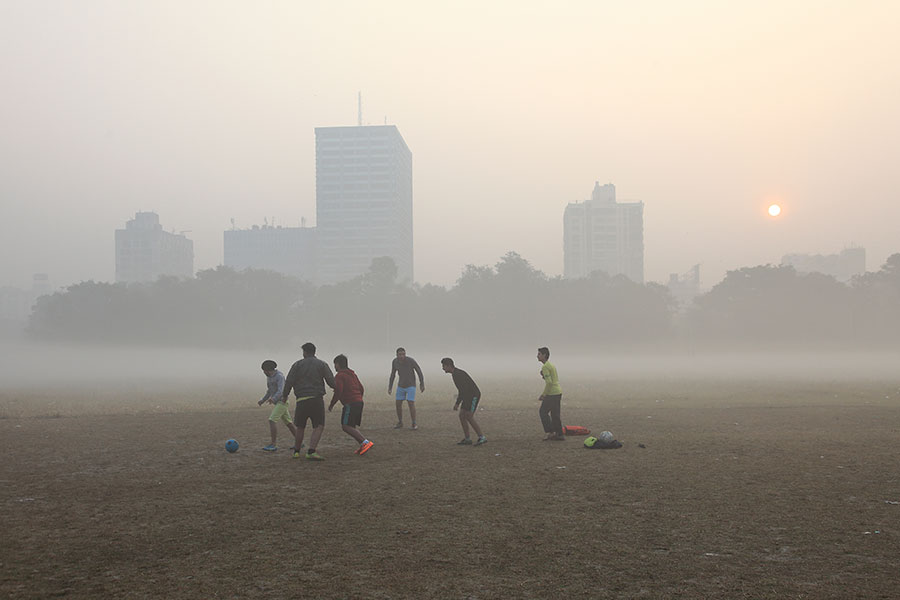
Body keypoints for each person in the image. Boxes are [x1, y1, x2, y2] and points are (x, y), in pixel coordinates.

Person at [282, 342, 336, 461]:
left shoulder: (296, 365)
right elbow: (331, 381)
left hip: (301, 399)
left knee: (300, 427)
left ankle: (296, 451)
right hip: (316, 399)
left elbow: (289, 381)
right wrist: (336, 388)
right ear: (314, 352)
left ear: (305, 352)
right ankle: (311, 451)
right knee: (319, 425)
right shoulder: (322, 364)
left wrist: (285, 395)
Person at [328, 354, 373, 455]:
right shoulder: (353, 374)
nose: (334, 367)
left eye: (335, 364)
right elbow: (361, 388)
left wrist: (332, 404)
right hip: (359, 402)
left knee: (346, 426)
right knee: (351, 425)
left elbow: (338, 390)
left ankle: (365, 442)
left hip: (350, 403)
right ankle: (362, 445)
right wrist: (358, 398)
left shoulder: (340, 375)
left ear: (338, 364)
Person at [441, 357, 486, 446]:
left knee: (469, 416)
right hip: (467, 396)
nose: (443, 368)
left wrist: (457, 403)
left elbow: (463, 390)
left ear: (449, 366)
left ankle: (482, 437)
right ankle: (467, 438)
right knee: (462, 415)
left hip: (473, 395)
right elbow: (463, 391)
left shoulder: (458, 374)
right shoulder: (455, 374)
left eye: (444, 366)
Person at [257, 359, 298, 451]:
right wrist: (262, 400)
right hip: (277, 403)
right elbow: (269, 391)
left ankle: (273, 444)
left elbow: (281, 390)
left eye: (265, 370)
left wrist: (273, 398)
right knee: (289, 424)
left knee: (272, 420)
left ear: (269, 369)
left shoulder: (279, 376)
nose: (264, 372)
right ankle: (300, 442)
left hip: (282, 402)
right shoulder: (269, 377)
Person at [388, 347, 425, 430]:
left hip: (411, 385)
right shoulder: (395, 362)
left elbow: (419, 371)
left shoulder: (410, 361)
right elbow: (393, 374)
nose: (402, 356)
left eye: (403, 354)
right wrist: (390, 387)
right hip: (401, 385)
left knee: (410, 403)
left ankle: (414, 422)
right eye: (400, 354)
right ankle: (400, 422)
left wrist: (421, 383)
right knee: (398, 403)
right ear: (396, 355)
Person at [537, 346, 564, 441]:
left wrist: (544, 394)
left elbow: (549, 382)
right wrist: (544, 376)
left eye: (539, 354)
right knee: (555, 414)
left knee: (543, 412)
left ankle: (550, 432)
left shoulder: (545, 367)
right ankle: (559, 433)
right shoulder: (551, 365)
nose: (537, 356)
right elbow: (552, 379)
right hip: (558, 392)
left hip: (552, 393)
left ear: (544, 355)